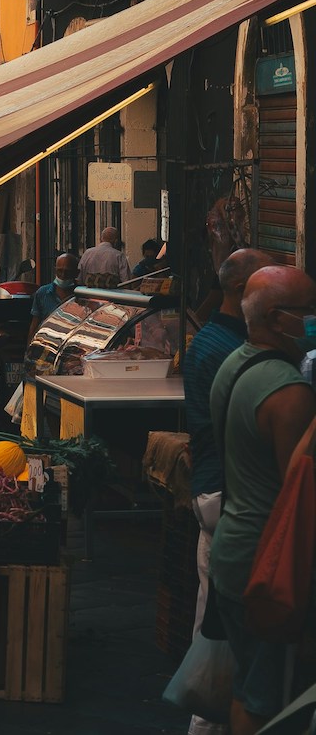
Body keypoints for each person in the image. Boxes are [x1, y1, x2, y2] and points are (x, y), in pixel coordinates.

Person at [208, 265, 316, 733]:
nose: (313, 319)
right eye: (308, 310)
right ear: (276, 318)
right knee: (264, 698)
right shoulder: (289, 392)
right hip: (268, 563)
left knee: (249, 687)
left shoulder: (235, 363)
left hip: (234, 550)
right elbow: (300, 487)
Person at [182, 248, 275, 735]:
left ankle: (206, 718)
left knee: (215, 621)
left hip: (216, 493)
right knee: (226, 629)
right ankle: (206, 719)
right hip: (227, 496)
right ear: (242, 293)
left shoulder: (218, 343)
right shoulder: (227, 352)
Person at [27, 253, 79, 347]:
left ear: (76, 273)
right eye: (60, 271)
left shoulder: (81, 296)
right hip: (47, 344)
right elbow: (35, 324)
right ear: (55, 270)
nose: (63, 275)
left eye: (67, 272)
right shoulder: (42, 293)